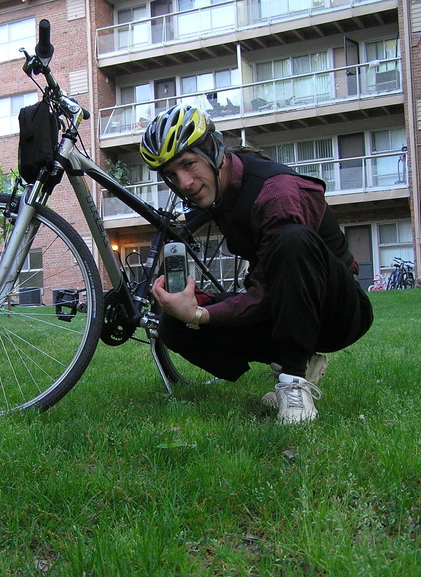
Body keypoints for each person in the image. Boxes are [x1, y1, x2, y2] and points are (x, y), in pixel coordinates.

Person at [141, 104, 373, 423]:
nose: (184, 183)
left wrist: (202, 312)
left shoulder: (277, 193)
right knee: (173, 326)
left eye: (189, 164)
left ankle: (293, 381)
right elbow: (265, 289)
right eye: (171, 174)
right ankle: (297, 358)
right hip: (282, 303)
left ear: (214, 150)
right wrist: (186, 307)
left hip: (337, 312)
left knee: (291, 240)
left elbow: (268, 287)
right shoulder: (221, 191)